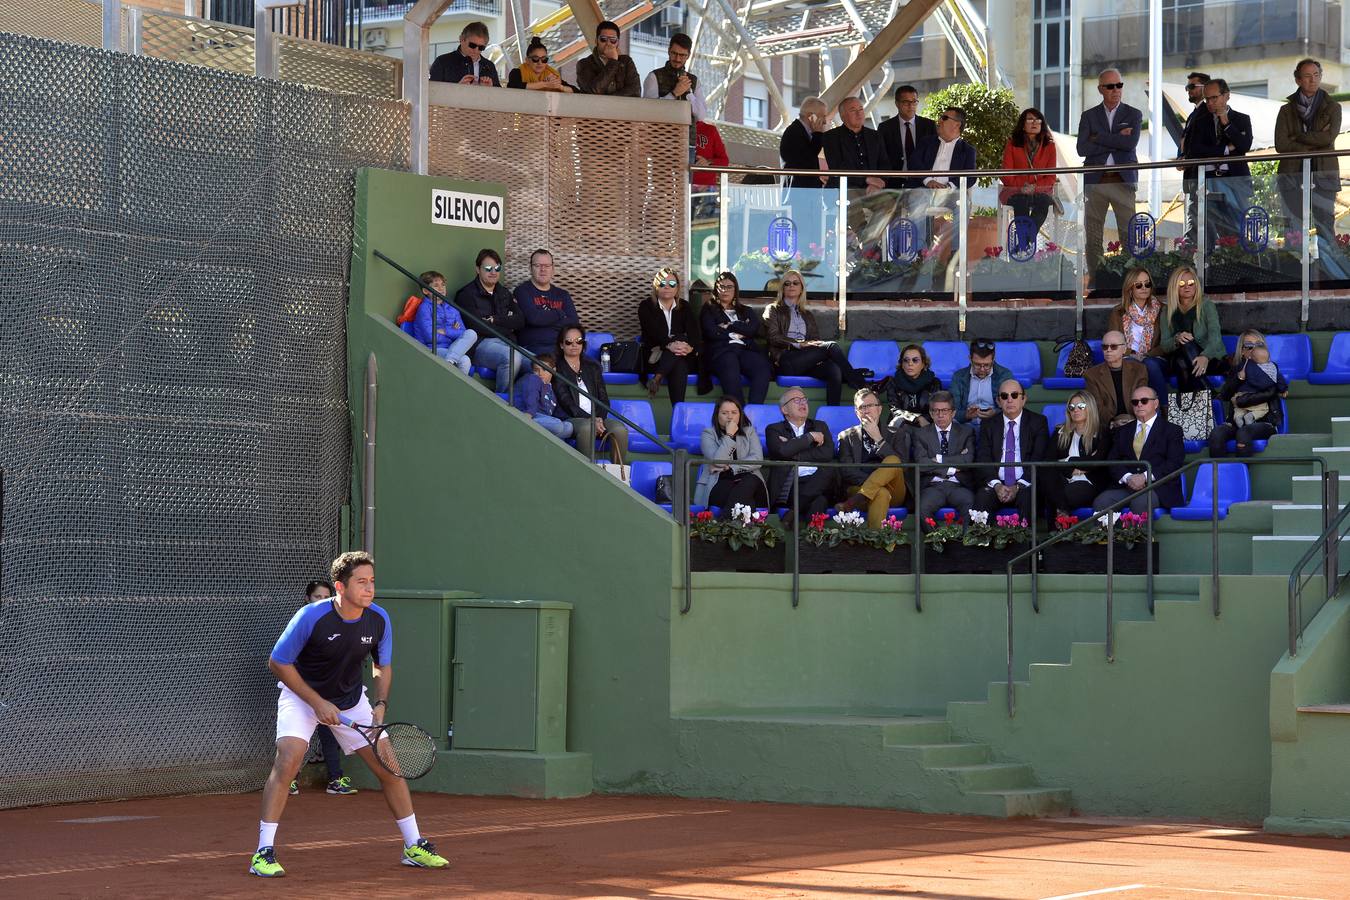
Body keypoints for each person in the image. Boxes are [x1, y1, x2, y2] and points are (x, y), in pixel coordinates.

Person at [250, 551, 447, 878]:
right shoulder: (310, 617)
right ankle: (263, 852)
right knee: (288, 759)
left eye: (371, 581)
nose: (369, 588)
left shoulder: (379, 618)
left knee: (389, 767)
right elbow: (278, 663)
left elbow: (382, 666)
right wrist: (316, 702)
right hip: (301, 696)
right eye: (361, 582)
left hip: (351, 700)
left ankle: (414, 845)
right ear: (340, 587)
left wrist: (380, 705)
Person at [286, 580, 357, 798]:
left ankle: (335, 780)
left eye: (327, 596)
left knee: (330, 738)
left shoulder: (337, 624)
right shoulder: (303, 622)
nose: (323, 601)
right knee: (298, 742)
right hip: (303, 695)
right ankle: (290, 780)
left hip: (330, 695)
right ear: (307, 598)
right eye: (318, 596)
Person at [762, 268, 872, 406]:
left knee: (834, 369)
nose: (791, 286)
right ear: (782, 288)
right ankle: (862, 386)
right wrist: (798, 343)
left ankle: (833, 412)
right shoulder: (773, 309)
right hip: (785, 360)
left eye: (795, 283)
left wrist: (811, 350)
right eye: (787, 283)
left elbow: (815, 342)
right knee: (831, 346)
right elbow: (773, 337)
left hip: (806, 361)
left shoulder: (807, 315)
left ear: (801, 288)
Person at [1077, 69, 1142, 277]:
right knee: (1093, 235)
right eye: (1110, 86)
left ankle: (1131, 280)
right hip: (1096, 181)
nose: (1116, 90)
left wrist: (1099, 137)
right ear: (1100, 89)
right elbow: (1082, 149)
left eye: (1119, 85)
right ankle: (1097, 281)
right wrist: (1116, 139)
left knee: (1128, 234)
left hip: (1123, 181)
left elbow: (1130, 143)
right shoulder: (1088, 116)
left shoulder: (1133, 114)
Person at [1275, 58, 1341, 246]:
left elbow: (1328, 138)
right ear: (1298, 80)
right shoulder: (1286, 110)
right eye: (1307, 76)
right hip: (1292, 176)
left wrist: (1297, 137)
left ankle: (1329, 272)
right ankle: (1293, 272)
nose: (1313, 80)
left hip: (1323, 176)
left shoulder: (1333, 107)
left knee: (1325, 225)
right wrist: (1314, 139)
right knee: (1292, 229)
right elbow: (1281, 144)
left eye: (1316, 75)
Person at [1182, 78, 1253, 245]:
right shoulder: (1199, 121)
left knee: (1237, 229)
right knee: (1207, 232)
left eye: (1214, 97)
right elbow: (1194, 151)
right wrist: (1226, 150)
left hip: (1234, 180)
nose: (1210, 102)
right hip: (1206, 181)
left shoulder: (1242, 119)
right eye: (1207, 98)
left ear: (1226, 96)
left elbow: (1244, 146)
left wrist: (1225, 122)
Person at [1094, 387, 1185, 514]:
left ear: (1156, 403)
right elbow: (1113, 460)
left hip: (1158, 487)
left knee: (1141, 501)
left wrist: (1144, 477)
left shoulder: (1172, 431)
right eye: (1135, 402)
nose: (1139, 404)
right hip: (1126, 487)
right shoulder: (1122, 431)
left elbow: (1174, 463)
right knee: (1102, 501)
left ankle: (1140, 535)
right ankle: (1105, 535)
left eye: (1144, 400)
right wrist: (1128, 477)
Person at [973, 379, 1050, 522]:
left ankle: (1025, 544)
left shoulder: (1038, 422)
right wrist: (996, 485)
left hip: (1025, 484)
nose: (1009, 400)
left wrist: (1018, 486)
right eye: (1004, 396)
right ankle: (981, 542)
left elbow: (1038, 458)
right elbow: (983, 458)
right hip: (996, 483)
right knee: (982, 498)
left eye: (1014, 395)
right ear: (998, 401)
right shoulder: (988, 424)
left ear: (1023, 399)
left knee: (1028, 497)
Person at [552, 324, 629, 461]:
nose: (574, 345)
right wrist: (591, 419)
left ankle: (617, 473)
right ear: (561, 345)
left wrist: (598, 418)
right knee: (588, 428)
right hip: (572, 418)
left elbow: (603, 398)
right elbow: (566, 402)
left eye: (579, 341)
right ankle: (589, 474)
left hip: (598, 417)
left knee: (620, 430)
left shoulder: (593, 367)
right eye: (569, 342)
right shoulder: (557, 368)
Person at [835, 389, 911, 528]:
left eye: (870, 406)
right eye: (862, 407)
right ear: (856, 412)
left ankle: (859, 498)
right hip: (857, 488)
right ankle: (874, 541)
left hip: (895, 490)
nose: (866, 411)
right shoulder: (845, 437)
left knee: (893, 460)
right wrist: (875, 484)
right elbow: (846, 471)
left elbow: (904, 467)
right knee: (880, 493)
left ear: (880, 409)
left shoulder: (897, 434)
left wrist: (879, 439)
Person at [905, 107, 978, 250]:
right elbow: (914, 163)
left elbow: (971, 177)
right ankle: (920, 254)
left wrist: (949, 186)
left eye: (944, 118)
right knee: (918, 199)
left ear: (957, 124)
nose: (939, 121)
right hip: (924, 189)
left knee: (963, 203)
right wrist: (928, 180)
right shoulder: (926, 142)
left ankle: (956, 255)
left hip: (949, 193)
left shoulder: (967, 150)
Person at [456, 249, 528, 393]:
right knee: (512, 357)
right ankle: (503, 402)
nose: (493, 272)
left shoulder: (504, 293)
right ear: (478, 269)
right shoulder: (466, 294)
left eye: (497, 268)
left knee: (539, 364)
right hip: (480, 345)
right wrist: (508, 326)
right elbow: (478, 326)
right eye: (488, 268)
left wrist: (496, 320)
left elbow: (520, 321)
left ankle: (526, 405)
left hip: (507, 342)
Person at [1209, 330, 1287, 457]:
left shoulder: (1271, 368)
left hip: (1264, 421)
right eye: (1249, 346)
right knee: (1217, 433)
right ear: (1242, 350)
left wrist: (1242, 400)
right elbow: (1225, 394)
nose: (1254, 349)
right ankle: (1219, 473)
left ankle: (1241, 471)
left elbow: (1272, 391)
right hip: (1237, 421)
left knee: (1244, 433)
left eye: (1259, 345)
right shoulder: (1237, 369)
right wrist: (1239, 378)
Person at [764, 386, 837, 519]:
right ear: (784, 409)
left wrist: (793, 448)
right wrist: (810, 437)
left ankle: (793, 513)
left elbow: (827, 454)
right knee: (819, 502)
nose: (803, 403)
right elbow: (782, 451)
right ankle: (811, 539)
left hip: (818, 480)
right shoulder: (774, 429)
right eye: (796, 400)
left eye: (804, 399)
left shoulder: (820, 426)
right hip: (792, 484)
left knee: (829, 468)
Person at [701, 271, 771, 405]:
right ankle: (739, 414)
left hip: (743, 350)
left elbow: (753, 329)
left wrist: (729, 325)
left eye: (729, 287)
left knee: (762, 366)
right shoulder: (709, 308)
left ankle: (753, 411)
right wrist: (737, 332)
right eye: (721, 286)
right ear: (716, 289)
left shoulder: (745, 310)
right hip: (721, 352)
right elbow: (711, 331)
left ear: (735, 289)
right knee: (730, 362)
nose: (725, 290)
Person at [1106, 266, 1170, 404]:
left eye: (1147, 284)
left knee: (1149, 364)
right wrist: (1133, 353)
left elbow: (1166, 343)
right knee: (1132, 365)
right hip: (1128, 356)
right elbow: (1114, 342)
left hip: (1155, 358)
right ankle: (1132, 414)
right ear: (1130, 288)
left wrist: (1147, 355)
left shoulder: (1162, 309)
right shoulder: (1118, 312)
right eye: (1138, 285)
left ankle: (1164, 411)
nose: (1144, 288)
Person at [910, 390, 976, 524]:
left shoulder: (966, 432)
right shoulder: (920, 434)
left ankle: (963, 543)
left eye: (945, 410)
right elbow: (921, 463)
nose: (940, 415)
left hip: (959, 485)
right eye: (935, 411)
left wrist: (938, 460)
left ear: (953, 413)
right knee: (922, 510)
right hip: (932, 486)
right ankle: (937, 543)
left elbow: (967, 460)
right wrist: (952, 467)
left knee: (971, 507)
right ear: (930, 413)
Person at [1157, 266, 1228, 391]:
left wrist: (1205, 356)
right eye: (1181, 283)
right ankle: (1208, 390)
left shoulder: (1206, 306)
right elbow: (1164, 345)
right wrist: (1177, 339)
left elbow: (1215, 338)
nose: (1187, 287)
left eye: (1191, 283)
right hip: (1179, 356)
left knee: (1182, 363)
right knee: (1184, 346)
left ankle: (1188, 407)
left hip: (1209, 359)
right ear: (1175, 286)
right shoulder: (1166, 311)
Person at [638, 267, 700, 404]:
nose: (667, 287)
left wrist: (690, 348)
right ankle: (679, 412)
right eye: (662, 284)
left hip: (681, 355)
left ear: (677, 288)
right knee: (680, 355)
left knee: (681, 348)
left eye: (671, 284)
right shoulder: (646, 306)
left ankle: (658, 378)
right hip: (654, 356)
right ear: (656, 287)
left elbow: (695, 335)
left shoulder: (685, 307)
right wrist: (670, 344)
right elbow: (652, 333)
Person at [1043, 392, 1109, 518]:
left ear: (1090, 407)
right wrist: (1075, 468)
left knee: (1059, 495)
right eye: (1071, 407)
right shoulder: (1060, 432)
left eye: (1081, 406)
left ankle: (1057, 530)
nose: (1075, 410)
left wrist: (1067, 460)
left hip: (1089, 483)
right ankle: (1062, 515)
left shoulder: (1102, 432)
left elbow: (1097, 461)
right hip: (1062, 480)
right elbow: (1048, 462)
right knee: (1047, 478)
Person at [694, 396, 768, 510]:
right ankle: (742, 524)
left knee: (750, 481)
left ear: (740, 415)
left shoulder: (750, 432)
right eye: (724, 413)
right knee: (747, 499)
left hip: (749, 481)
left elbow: (757, 459)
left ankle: (726, 520)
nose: (730, 417)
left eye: (734, 412)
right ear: (717, 415)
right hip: (720, 481)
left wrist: (732, 467)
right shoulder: (708, 434)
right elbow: (718, 461)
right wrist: (729, 435)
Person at [999, 107, 1059, 236]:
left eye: (1038, 120)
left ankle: (1023, 244)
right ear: (1022, 124)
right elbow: (1006, 174)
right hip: (1015, 191)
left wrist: (1034, 187)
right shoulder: (1012, 144)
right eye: (1030, 119)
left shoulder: (1050, 146)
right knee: (1021, 202)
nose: (1035, 123)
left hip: (1040, 191)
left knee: (1044, 202)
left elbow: (1051, 177)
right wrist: (1023, 187)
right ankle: (1025, 246)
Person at [514, 249, 579, 358]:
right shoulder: (522, 291)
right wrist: (560, 314)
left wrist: (544, 320)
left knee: (594, 367)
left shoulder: (562, 294)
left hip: (563, 347)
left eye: (547, 266)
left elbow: (574, 322)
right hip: (534, 348)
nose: (543, 269)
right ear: (530, 268)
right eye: (537, 265)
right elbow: (534, 318)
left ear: (553, 269)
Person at [412, 270, 476, 374]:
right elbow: (430, 337)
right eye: (436, 285)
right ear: (425, 291)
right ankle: (450, 367)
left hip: (451, 348)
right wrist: (454, 331)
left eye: (443, 285)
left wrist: (446, 331)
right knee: (464, 360)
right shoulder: (424, 308)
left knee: (472, 334)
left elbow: (463, 332)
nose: (441, 289)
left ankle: (449, 362)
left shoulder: (452, 308)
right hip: (431, 349)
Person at [1084, 330, 1149, 431]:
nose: (1108, 350)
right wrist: (1113, 422)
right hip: (1109, 426)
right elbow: (1097, 405)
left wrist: (1132, 420)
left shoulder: (1139, 370)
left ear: (1124, 349)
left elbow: (1142, 401)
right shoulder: (1092, 374)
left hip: (1135, 422)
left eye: (1113, 346)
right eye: (1105, 347)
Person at [820, 96, 888, 192]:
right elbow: (837, 167)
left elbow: (884, 163)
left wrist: (879, 182)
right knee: (854, 205)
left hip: (874, 188)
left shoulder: (875, 135)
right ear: (842, 116)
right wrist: (867, 179)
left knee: (893, 204)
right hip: (844, 189)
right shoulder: (831, 137)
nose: (859, 114)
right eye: (853, 110)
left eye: (861, 109)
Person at [642, 32, 707, 120]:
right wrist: (674, 94)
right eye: (674, 53)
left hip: (687, 133)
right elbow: (649, 111)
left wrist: (688, 93)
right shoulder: (654, 77)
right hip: (661, 132)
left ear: (688, 55)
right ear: (668, 51)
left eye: (682, 55)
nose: (677, 59)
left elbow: (701, 116)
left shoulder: (694, 80)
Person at [948, 338, 1012, 426]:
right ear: (970, 359)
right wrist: (967, 415)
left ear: (993, 360)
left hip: (996, 424)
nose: (982, 369)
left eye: (987, 365)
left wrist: (995, 413)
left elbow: (1011, 407)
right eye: (977, 365)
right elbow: (952, 410)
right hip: (966, 424)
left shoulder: (1004, 375)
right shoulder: (958, 376)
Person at [514, 353, 574, 440]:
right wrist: (529, 414)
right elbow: (532, 397)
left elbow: (558, 412)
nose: (540, 373)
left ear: (553, 370)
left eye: (544, 369)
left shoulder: (551, 390)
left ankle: (543, 434)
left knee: (569, 427)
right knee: (558, 426)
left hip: (544, 420)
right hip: (529, 415)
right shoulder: (533, 379)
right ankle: (529, 424)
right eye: (536, 370)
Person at [878, 84, 936, 172]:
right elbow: (881, 157)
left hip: (923, 178)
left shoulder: (928, 125)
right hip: (895, 178)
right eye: (906, 102)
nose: (911, 106)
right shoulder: (885, 128)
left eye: (914, 101)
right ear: (897, 104)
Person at [575, 20, 639, 97]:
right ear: (596, 41)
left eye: (613, 40)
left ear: (618, 42)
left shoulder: (626, 61)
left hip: (622, 108)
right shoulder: (584, 64)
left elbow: (635, 91)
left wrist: (610, 99)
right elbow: (594, 91)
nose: (608, 43)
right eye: (603, 39)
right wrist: (613, 62)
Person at [885, 343, 940, 427]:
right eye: (906, 360)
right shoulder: (893, 382)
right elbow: (895, 410)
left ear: (923, 364)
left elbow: (935, 409)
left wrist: (924, 419)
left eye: (915, 360)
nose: (910, 364)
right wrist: (917, 418)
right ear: (902, 364)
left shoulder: (934, 383)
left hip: (926, 425)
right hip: (901, 425)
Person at [429, 21, 500, 86]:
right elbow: (431, 93)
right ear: (461, 39)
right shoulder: (442, 62)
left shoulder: (489, 66)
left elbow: (500, 96)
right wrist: (458, 88)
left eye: (481, 47)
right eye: (472, 45)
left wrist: (491, 89)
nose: (476, 50)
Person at [779, 97, 828, 188]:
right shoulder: (794, 133)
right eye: (823, 117)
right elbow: (807, 160)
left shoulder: (805, 132)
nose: (825, 121)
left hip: (805, 192)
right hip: (797, 193)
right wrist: (818, 134)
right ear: (811, 116)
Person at [507, 37, 576, 92]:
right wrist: (544, 84)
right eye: (535, 59)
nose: (540, 62)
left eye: (544, 59)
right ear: (527, 60)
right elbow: (513, 86)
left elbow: (576, 91)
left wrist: (560, 87)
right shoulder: (517, 73)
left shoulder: (551, 75)